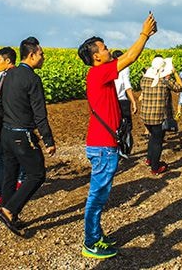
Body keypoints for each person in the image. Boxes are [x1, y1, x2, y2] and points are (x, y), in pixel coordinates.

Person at [77, 13, 157, 259]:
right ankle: (90, 242)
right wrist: (144, 33)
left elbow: (128, 60)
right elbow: (131, 57)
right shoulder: (98, 73)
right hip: (102, 147)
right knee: (97, 196)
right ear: (95, 57)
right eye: (104, 47)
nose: (109, 49)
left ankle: (97, 235)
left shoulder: (102, 74)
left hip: (104, 145)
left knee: (100, 195)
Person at [0, 37, 56, 237]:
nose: (43, 57)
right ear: (31, 55)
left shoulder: (7, 75)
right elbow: (40, 113)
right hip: (23, 134)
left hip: (6, 133)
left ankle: (8, 207)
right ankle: (8, 211)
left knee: (10, 174)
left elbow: (0, 104)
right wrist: (48, 140)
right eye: (41, 54)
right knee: (37, 174)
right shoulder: (32, 79)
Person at [0, 47, 25, 205]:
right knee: (16, 157)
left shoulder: (0, 76)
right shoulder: (19, 75)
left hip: (1, 122)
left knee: (1, 159)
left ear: (8, 60)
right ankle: (15, 187)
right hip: (15, 122)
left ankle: (1, 192)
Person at [140, 57, 176, 174]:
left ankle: (149, 160)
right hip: (158, 116)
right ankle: (155, 168)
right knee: (158, 141)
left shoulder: (144, 80)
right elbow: (180, 88)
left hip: (145, 115)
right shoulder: (164, 81)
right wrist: (174, 73)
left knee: (152, 137)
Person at [112, 50, 137, 129]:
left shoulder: (109, 68)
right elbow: (127, 86)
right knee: (126, 126)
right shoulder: (124, 68)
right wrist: (133, 102)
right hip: (122, 100)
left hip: (111, 101)